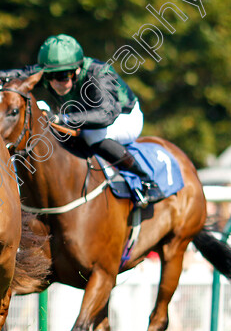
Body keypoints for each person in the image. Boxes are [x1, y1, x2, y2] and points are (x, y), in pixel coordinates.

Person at [31, 34, 157, 206]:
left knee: (91, 136)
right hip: (87, 120)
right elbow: (7, 76)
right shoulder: (54, 72)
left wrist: (62, 118)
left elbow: (105, 115)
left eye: (62, 77)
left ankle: (146, 180)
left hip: (124, 118)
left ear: (77, 69)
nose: (56, 82)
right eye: (49, 77)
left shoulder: (99, 73)